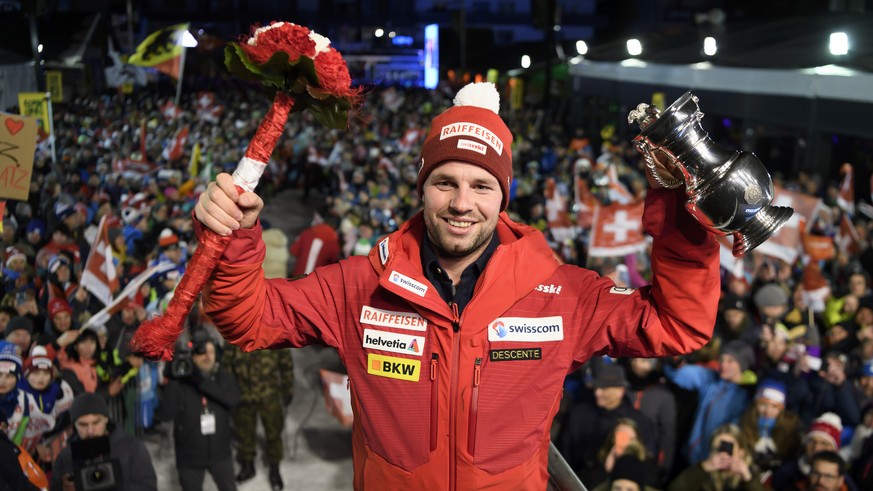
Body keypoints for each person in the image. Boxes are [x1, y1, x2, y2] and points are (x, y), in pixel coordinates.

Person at [193, 81, 721, 488]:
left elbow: (678, 325)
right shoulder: (359, 286)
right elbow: (247, 319)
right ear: (422, 187)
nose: (462, 203)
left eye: (482, 186)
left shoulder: (563, 295)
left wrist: (686, 219)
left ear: (504, 195)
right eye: (445, 182)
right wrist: (235, 237)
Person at [156, 334, 240, 491]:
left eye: (211, 351)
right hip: (189, 458)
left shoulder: (224, 378)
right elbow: (166, 414)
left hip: (221, 454)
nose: (207, 356)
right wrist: (173, 379)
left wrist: (200, 382)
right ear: (192, 356)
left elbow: (232, 399)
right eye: (202, 351)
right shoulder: (181, 384)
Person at [49, 392, 156, 491]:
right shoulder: (66, 456)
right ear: (74, 425)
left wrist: (113, 485)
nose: (90, 431)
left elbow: (148, 487)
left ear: (106, 419)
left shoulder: (133, 448)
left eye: (96, 423)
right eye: (83, 424)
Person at [222, 343, 294, 489]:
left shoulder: (274, 331)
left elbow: (286, 363)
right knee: (244, 432)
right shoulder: (236, 331)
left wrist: (288, 388)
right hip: (243, 394)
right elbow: (226, 364)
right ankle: (248, 466)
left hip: (269, 394)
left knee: (273, 433)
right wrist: (229, 390)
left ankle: (274, 469)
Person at [667, 424, 764, 491]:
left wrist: (747, 477)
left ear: (741, 452)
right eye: (718, 448)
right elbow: (674, 489)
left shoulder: (751, 475)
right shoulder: (702, 472)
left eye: (729, 448)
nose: (723, 454)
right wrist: (703, 468)